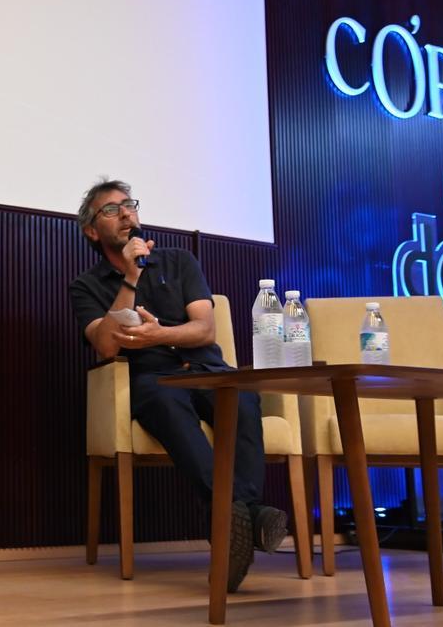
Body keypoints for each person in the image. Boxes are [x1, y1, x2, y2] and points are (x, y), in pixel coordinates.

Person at [68, 178, 287, 593]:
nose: (127, 213)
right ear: (92, 231)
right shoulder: (87, 286)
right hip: (151, 379)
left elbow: (205, 330)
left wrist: (160, 335)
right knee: (167, 403)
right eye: (111, 210)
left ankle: (235, 517)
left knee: (240, 398)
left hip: (204, 367)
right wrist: (131, 278)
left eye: (129, 205)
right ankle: (247, 516)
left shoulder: (179, 260)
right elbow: (104, 345)